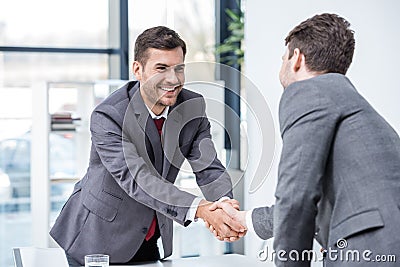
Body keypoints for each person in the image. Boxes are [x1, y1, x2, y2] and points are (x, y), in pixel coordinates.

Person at [209, 13, 400, 266]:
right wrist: (243, 218)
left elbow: (296, 196)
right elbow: (317, 202)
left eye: (283, 60)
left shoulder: (309, 92)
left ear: (297, 59)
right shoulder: (351, 106)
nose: (281, 69)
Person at [49, 26, 245, 266]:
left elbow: (208, 166)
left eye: (179, 69)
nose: (172, 79)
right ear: (138, 70)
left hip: (149, 237)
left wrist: (225, 206)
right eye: (161, 68)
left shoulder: (192, 106)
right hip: (98, 239)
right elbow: (138, 178)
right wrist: (201, 209)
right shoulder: (109, 115)